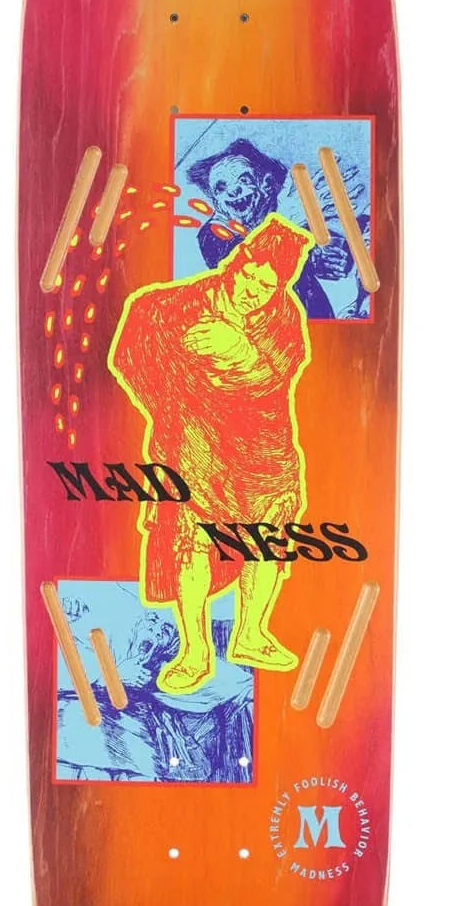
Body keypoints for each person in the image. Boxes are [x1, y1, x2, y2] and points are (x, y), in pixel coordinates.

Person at [108, 215, 314, 695]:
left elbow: (277, 376)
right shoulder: (174, 306)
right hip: (196, 445)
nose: (253, 293)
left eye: (267, 287)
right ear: (235, 262)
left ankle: (250, 634)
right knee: (192, 540)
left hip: (263, 449)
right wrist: (172, 406)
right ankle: (195, 652)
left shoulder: (284, 317)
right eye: (250, 278)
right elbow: (128, 354)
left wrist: (241, 353)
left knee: (268, 538)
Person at [185, 140, 334, 319]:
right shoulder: (212, 235)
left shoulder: (276, 214)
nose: (233, 191)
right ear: (217, 203)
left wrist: (325, 259)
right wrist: (283, 224)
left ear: (263, 186)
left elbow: (310, 263)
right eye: (221, 188)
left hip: (318, 319)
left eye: (243, 180)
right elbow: (250, 274)